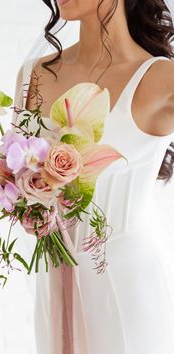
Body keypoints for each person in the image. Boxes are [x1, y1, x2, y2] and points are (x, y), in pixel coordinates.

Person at [12, 0, 174, 353]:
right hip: (54, 281)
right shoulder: (33, 76)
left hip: (128, 283)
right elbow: (15, 178)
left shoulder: (162, 80)